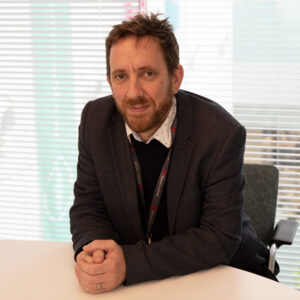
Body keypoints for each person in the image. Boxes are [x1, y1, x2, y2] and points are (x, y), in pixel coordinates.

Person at [70, 13, 277, 294]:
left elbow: (219, 237)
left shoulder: (220, 133)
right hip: (145, 285)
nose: (133, 93)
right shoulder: (96, 120)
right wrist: (96, 251)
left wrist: (128, 264)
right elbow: (88, 204)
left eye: (148, 74)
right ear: (109, 81)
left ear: (175, 77)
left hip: (225, 276)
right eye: (121, 76)